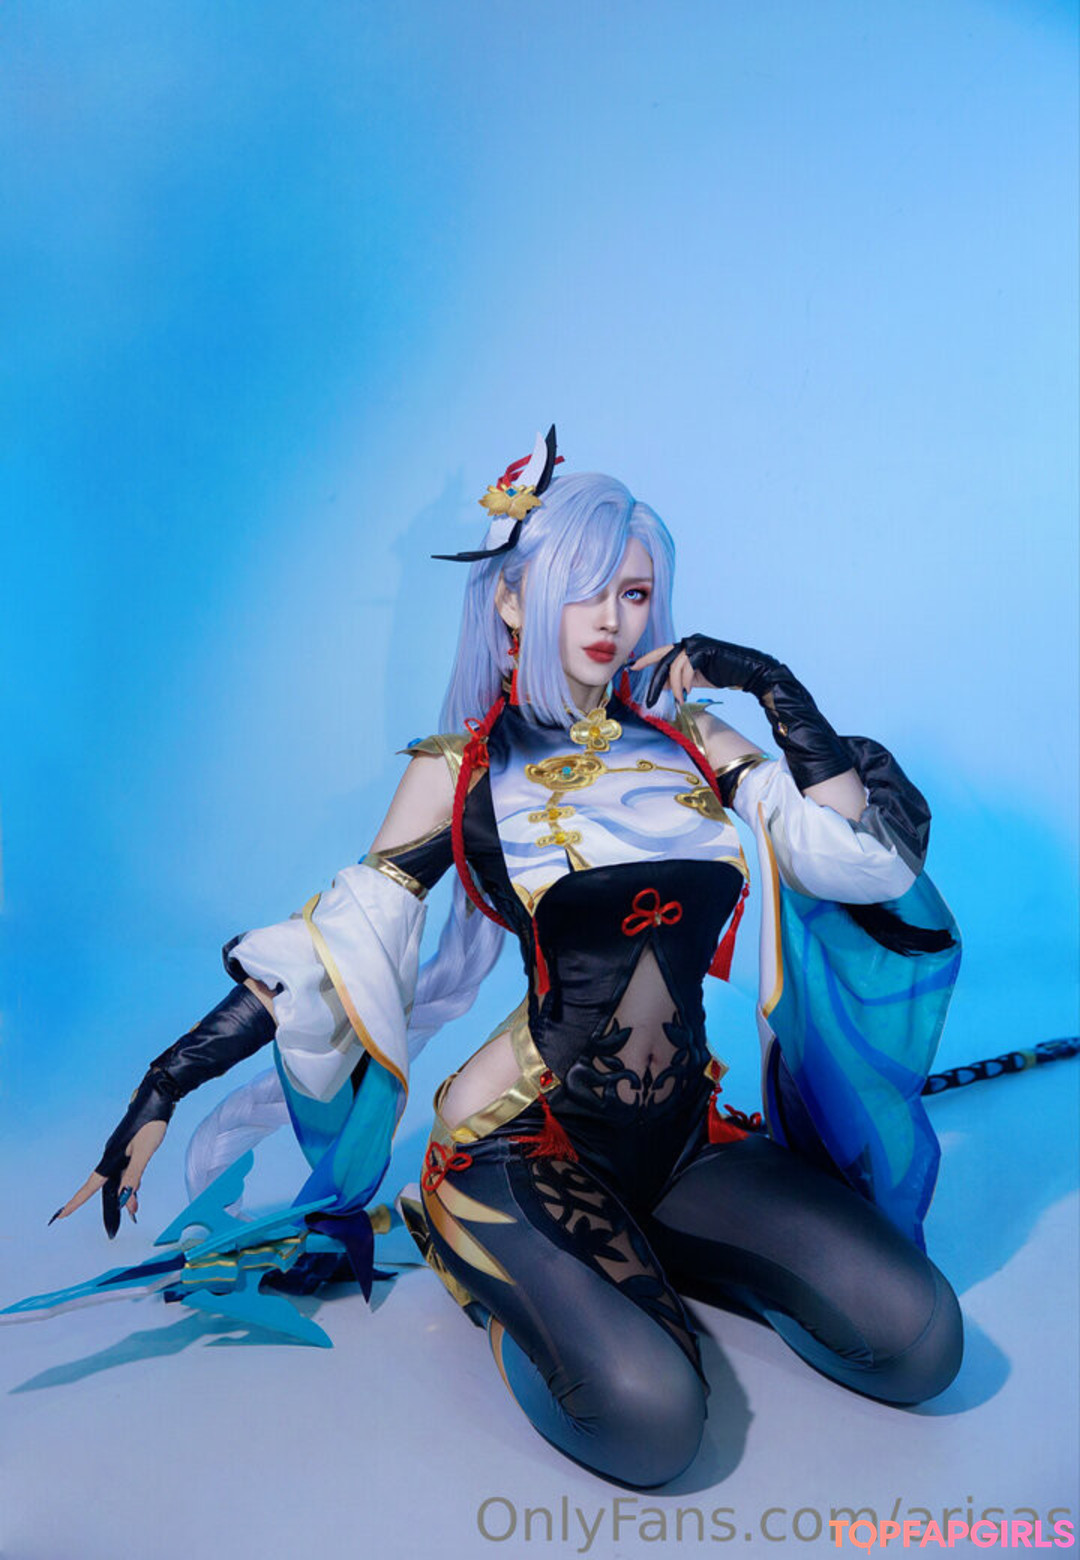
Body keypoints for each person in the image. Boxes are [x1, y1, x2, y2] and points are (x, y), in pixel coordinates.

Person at [47, 429, 963, 1488]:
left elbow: (853, 858)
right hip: (525, 1143)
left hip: (684, 1139)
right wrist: (168, 1080)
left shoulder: (690, 738)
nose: (613, 620)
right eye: (586, 591)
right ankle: (484, 1254)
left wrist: (767, 681)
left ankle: (636, 1252)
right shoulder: (464, 770)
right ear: (516, 602)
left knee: (920, 1338)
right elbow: (332, 948)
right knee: (652, 1424)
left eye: (634, 594)